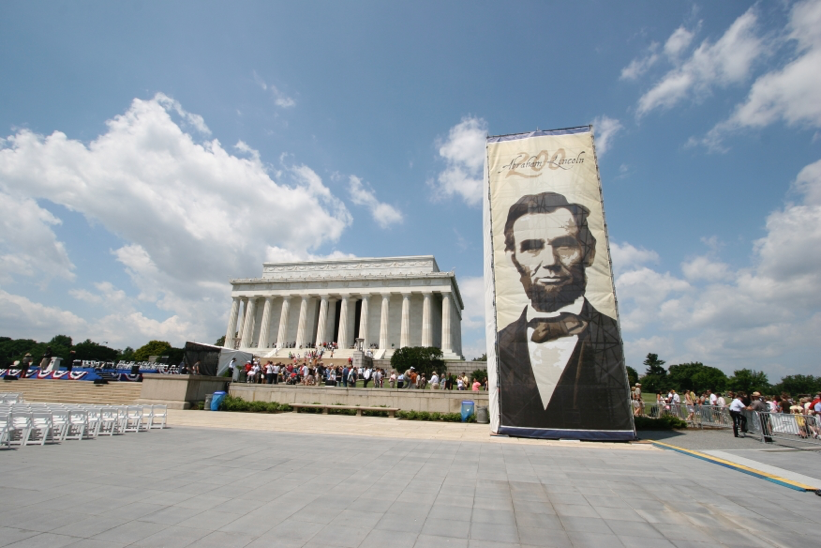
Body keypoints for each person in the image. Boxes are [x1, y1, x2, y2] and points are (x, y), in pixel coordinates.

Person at [496, 192, 632, 434]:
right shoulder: (501, 341)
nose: (550, 260)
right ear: (512, 258)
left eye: (564, 244)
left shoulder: (609, 335)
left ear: (588, 251)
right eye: (532, 247)